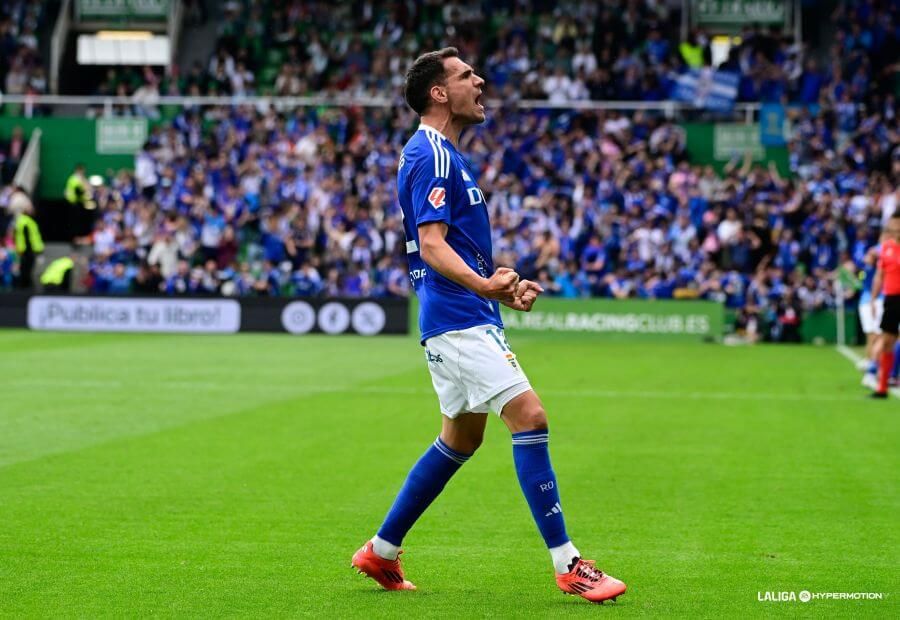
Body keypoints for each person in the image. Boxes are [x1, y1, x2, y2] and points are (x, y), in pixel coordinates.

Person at [351, 48, 626, 604]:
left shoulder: (445, 155)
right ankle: (569, 564)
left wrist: (502, 282)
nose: (479, 82)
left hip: (461, 314)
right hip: (458, 319)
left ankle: (380, 551)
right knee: (530, 416)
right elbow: (430, 246)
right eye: (465, 76)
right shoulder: (432, 154)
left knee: (461, 437)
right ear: (438, 92)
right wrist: (482, 287)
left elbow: (454, 247)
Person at [870, 213, 900, 398]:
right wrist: (873, 299)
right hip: (891, 300)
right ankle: (882, 388)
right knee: (887, 341)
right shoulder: (886, 248)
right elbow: (879, 275)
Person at [13, 204, 44, 289]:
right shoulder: (25, 221)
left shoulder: (28, 221)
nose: (32, 210)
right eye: (30, 209)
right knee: (26, 270)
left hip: (28, 250)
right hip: (27, 250)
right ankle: (25, 288)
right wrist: (25, 250)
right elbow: (26, 238)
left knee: (27, 270)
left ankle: (25, 286)